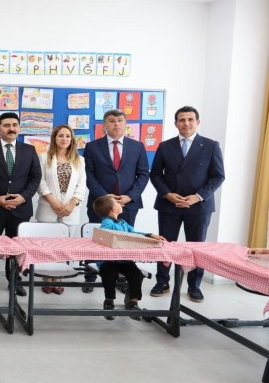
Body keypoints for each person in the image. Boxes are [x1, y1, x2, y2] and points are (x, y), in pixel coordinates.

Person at [149, 106, 225, 302]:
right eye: (182, 120)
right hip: (169, 204)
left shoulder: (211, 146)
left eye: (190, 119)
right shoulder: (165, 146)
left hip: (198, 206)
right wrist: (167, 194)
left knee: (196, 247)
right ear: (176, 123)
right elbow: (155, 174)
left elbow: (218, 176)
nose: (186, 123)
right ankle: (162, 282)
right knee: (165, 245)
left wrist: (197, 196)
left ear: (198, 122)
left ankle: (194, 285)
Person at [82, 109, 149, 291]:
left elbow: (143, 174)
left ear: (126, 124)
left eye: (120, 120)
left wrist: (130, 196)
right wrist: (105, 197)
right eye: (111, 121)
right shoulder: (92, 147)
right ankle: (90, 276)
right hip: (100, 203)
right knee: (96, 240)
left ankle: (122, 279)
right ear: (104, 125)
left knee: (125, 241)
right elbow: (89, 175)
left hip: (128, 203)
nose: (116, 124)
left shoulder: (137, 146)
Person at [0, 112, 40, 297]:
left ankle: (14, 280)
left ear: (19, 127)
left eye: (15, 125)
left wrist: (23, 197)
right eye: (6, 125)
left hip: (21, 208)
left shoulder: (29, 150)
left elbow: (35, 177)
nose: (11, 128)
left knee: (16, 247)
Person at [93, 196, 166, 320]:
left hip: (123, 259)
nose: (121, 204)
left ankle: (133, 302)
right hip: (108, 260)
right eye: (117, 202)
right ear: (113, 209)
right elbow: (104, 235)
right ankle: (109, 301)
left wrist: (149, 235)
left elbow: (134, 233)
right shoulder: (107, 222)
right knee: (109, 274)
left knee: (136, 274)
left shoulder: (123, 223)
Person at [35, 125, 87, 294]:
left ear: (72, 139)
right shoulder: (43, 157)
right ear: (54, 138)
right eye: (61, 136)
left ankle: (58, 278)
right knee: (47, 245)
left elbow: (81, 185)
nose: (64, 139)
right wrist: (53, 202)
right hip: (48, 207)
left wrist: (72, 204)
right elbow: (40, 182)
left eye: (67, 136)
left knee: (63, 246)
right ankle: (47, 277)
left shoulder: (79, 160)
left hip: (70, 209)